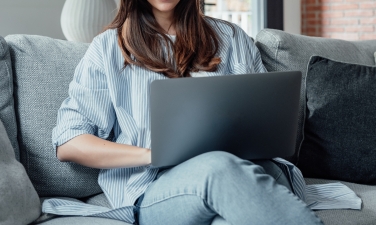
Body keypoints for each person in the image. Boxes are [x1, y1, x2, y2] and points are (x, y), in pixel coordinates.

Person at [42, 0, 323, 224]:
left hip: (250, 171)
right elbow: (70, 143)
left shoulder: (232, 38)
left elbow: (266, 119)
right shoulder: (107, 49)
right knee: (218, 167)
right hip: (159, 189)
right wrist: (153, 154)